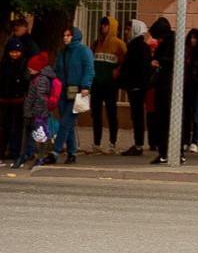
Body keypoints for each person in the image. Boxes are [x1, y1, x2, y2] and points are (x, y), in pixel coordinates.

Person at [51, 23, 93, 164]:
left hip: (78, 91)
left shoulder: (83, 51)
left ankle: (55, 151)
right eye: (64, 35)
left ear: (75, 36)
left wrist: (86, 86)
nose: (65, 38)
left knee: (65, 122)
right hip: (63, 90)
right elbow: (57, 69)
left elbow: (89, 69)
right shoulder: (63, 52)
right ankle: (72, 152)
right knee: (68, 123)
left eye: (68, 35)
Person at [1, 18, 36, 163]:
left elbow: (27, 80)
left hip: (19, 99)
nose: (14, 54)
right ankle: (5, 150)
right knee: (5, 126)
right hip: (6, 99)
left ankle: (18, 151)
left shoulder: (23, 63)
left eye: (17, 52)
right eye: (12, 52)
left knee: (18, 127)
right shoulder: (5, 64)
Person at [89, 18, 124, 153]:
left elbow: (125, 61)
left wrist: (118, 70)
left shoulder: (118, 44)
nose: (103, 27)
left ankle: (112, 143)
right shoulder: (96, 43)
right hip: (96, 84)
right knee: (96, 114)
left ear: (112, 27)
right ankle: (96, 143)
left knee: (111, 113)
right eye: (102, 24)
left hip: (110, 85)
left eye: (106, 25)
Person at [118, 19, 152, 155]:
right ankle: (138, 143)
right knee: (136, 115)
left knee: (137, 115)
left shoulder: (138, 46)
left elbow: (139, 68)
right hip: (136, 85)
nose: (126, 32)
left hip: (137, 86)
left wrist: (135, 83)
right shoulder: (136, 45)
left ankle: (138, 144)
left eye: (128, 29)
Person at [22, 52, 59, 169]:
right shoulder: (37, 78)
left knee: (41, 136)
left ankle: (40, 158)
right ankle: (38, 157)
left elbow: (40, 98)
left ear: (37, 68)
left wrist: (35, 112)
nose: (29, 70)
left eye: (31, 68)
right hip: (38, 112)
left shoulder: (41, 79)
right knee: (39, 135)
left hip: (40, 113)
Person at [146, 16, 175, 163]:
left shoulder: (172, 42)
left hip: (169, 86)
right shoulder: (164, 44)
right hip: (161, 85)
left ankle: (170, 151)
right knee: (160, 119)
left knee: (167, 119)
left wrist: (159, 61)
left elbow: (173, 61)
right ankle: (163, 151)